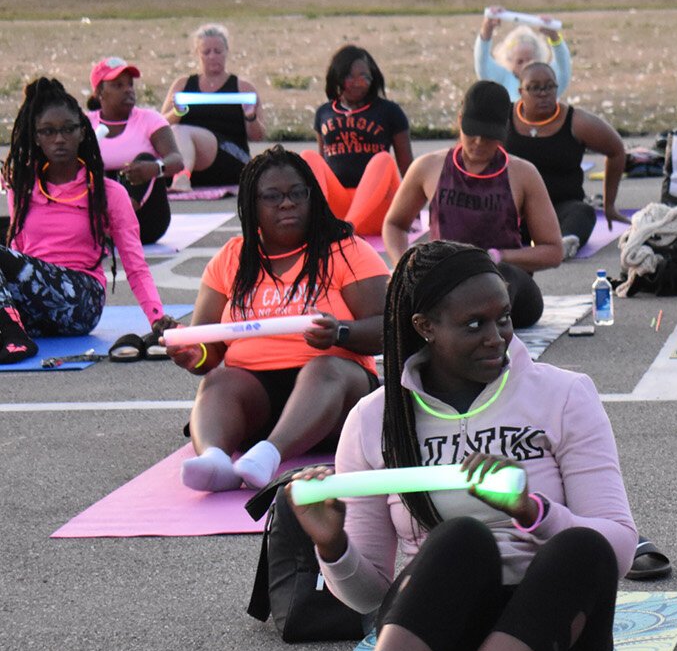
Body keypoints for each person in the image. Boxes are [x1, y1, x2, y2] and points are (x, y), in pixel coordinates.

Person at [291, 239, 637, 651]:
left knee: (581, 546)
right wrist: (332, 547)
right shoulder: (375, 420)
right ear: (424, 327)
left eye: (503, 318)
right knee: (459, 540)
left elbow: (621, 548)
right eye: (473, 324)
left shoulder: (563, 394)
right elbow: (374, 597)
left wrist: (532, 509)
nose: (496, 337)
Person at [168, 147, 387, 491]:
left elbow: (388, 328)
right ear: (250, 205)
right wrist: (197, 356)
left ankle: (270, 455)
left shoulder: (346, 250)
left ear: (312, 198)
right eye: (272, 196)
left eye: (297, 193)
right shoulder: (231, 259)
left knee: (324, 368)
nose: (287, 204)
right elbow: (209, 348)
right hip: (257, 400)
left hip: (335, 395)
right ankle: (215, 460)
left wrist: (339, 333)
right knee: (219, 382)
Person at [0, 77, 173, 363]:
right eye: (48, 131)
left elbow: (135, 264)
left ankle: (14, 338)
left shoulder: (108, 193)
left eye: (68, 130)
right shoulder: (22, 186)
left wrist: (156, 317)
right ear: (37, 137)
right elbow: (19, 250)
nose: (59, 139)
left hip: (80, 302)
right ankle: (11, 331)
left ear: (83, 133)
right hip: (35, 307)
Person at [384, 81, 562, 329]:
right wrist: (402, 265)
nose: (478, 143)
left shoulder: (523, 173)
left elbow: (553, 251)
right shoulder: (428, 167)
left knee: (500, 279)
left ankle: (476, 329)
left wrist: (499, 256)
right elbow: (394, 224)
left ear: (504, 131)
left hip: (507, 284)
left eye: (488, 136)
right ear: (459, 121)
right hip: (448, 280)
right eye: (472, 133)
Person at [505, 61, 626, 258]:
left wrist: (610, 205)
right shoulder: (504, 119)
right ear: (521, 91)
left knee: (583, 212)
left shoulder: (576, 122)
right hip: (515, 210)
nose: (543, 93)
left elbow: (616, 150)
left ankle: (565, 244)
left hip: (560, 210)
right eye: (535, 88)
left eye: (549, 86)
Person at [301, 45, 414, 236]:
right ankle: (314, 220)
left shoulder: (389, 111)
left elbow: (408, 169)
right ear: (337, 78)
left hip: (378, 209)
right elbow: (322, 168)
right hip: (341, 206)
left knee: (383, 160)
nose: (357, 83)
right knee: (308, 157)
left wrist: (412, 209)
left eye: (364, 77)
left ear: (373, 77)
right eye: (349, 77)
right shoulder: (324, 113)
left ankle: (347, 229)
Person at [85, 57, 184, 245]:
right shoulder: (85, 124)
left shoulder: (149, 120)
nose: (128, 90)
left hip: (146, 223)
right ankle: (104, 224)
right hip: (100, 209)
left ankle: (116, 220)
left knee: (144, 159)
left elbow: (176, 160)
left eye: (130, 84)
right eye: (118, 85)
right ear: (99, 93)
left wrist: (155, 168)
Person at [160, 23, 266, 189]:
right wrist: (177, 112)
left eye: (218, 51)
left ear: (226, 52)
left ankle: (181, 177)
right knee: (176, 132)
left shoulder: (242, 88)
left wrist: (250, 116)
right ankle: (181, 175)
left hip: (232, 157)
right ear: (197, 53)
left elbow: (258, 136)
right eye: (206, 52)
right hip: (194, 161)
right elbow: (161, 127)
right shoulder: (183, 85)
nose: (212, 56)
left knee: (182, 131)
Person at [475, 7, 572, 98]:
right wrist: (487, 28)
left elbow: (563, 67)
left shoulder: (548, 81)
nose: (526, 65)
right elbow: (482, 63)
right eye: (520, 61)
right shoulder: (503, 80)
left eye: (530, 60)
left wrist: (554, 36)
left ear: (539, 59)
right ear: (509, 62)